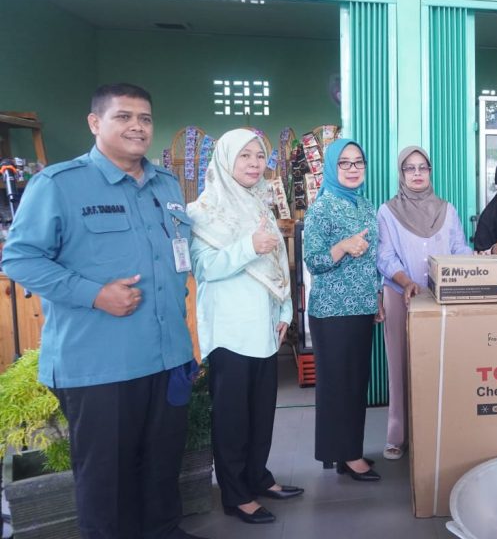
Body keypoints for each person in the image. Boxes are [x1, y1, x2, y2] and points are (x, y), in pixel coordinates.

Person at [1, 83, 205, 539]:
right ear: (95, 123)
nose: (137, 126)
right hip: (100, 364)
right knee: (107, 482)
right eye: (123, 116)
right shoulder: (60, 184)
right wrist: (94, 294)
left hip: (167, 356)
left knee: (162, 466)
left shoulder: (166, 184)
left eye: (145, 118)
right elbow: (19, 259)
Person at [187, 129, 303, 525]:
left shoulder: (259, 205)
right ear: (225, 160)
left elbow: (276, 264)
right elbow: (203, 268)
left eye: (259, 155)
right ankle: (236, 495)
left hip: (265, 329)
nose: (255, 163)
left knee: (260, 414)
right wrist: (248, 247)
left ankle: (258, 477)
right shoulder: (203, 211)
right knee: (232, 418)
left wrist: (284, 310)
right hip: (230, 332)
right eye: (245, 156)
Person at [377, 145, 472, 460]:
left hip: (441, 298)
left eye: (423, 167)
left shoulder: (447, 209)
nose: (417, 174)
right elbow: (384, 256)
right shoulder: (388, 211)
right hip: (400, 295)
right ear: (401, 173)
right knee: (400, 365)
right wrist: (406, 281)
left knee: (440, 363)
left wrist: (480, 260)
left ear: (430, 172)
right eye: (410, 168)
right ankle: (398, 435)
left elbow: (459, 248)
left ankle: (437, 431)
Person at [302, 138, 382, 482]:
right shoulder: (322, 208)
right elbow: (314, 261)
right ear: (333, 168)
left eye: (358, 162)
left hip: (362, 306)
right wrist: (343, 246)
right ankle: (346, 455)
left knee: (355, 383)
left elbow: (373, 258)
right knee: (338, 385)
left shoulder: (365, 204)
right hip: (332, 311)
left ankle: (350, 450)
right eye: (344, 163)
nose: (352, 169)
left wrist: (377, 296)